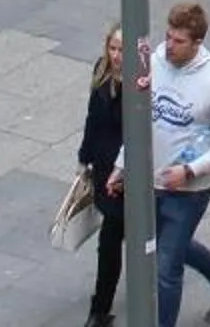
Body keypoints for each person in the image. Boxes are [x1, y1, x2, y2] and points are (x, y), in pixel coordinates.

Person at [114, 1, 210, 327]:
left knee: (166, 266)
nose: (170, 46)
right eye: (168, 37)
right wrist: (122, 165)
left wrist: (190, 171)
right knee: (171, 245)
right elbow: (138, 119)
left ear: (198, 42)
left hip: (189, 191)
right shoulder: (154, 62)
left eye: (179, 41)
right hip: (149, 181)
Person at [77, 33, 131, 327]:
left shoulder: (141, 84)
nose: (116, 55)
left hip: (126, 175)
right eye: (112, 48)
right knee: (111, 241)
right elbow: (92, 118)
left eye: (122, 49)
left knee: (112, 241)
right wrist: (84, 158)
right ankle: (99, 310)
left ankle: (99, 311)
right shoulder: (102, 72)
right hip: (103, 169)